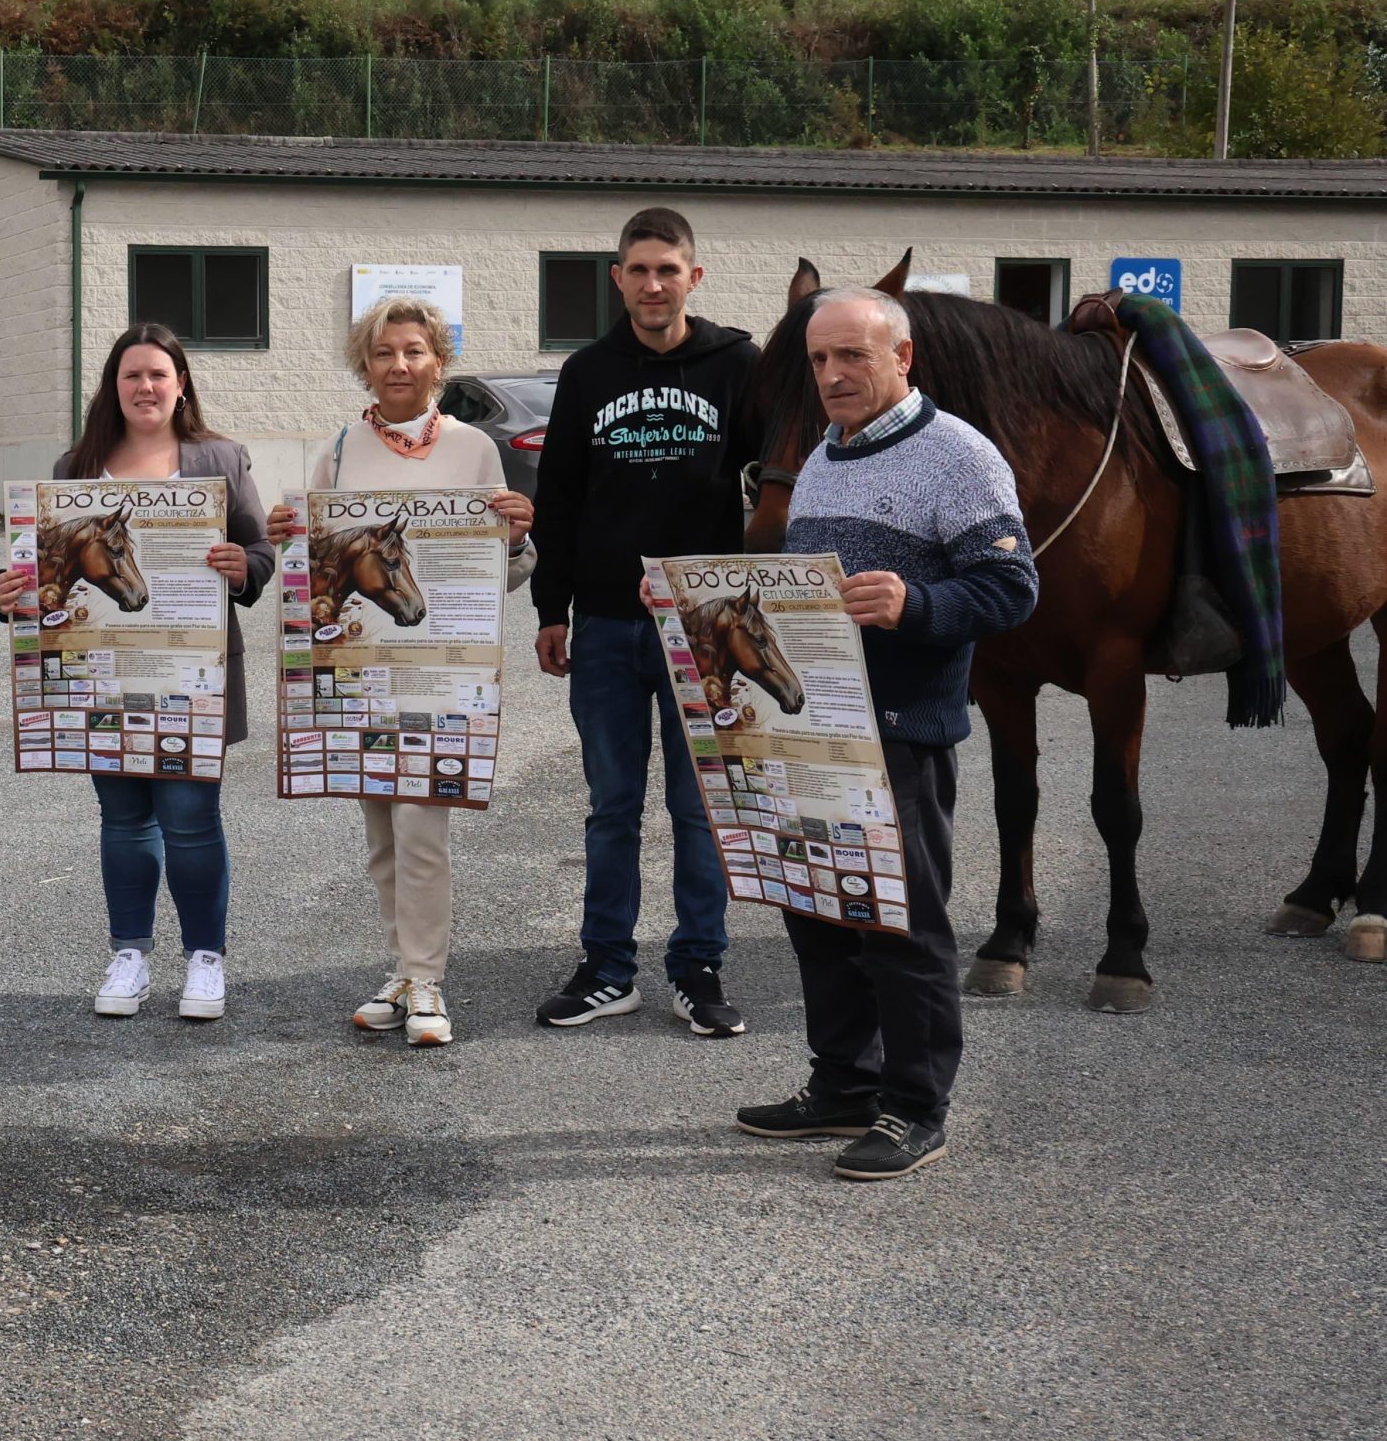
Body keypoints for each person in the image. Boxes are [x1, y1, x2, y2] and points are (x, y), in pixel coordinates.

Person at [734, 287, 1036, 1180]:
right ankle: (843, 1084)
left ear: (903, 359)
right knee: (818, 910)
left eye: (851, 357)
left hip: (900, 730)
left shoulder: (959, 457)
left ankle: (915, 1107)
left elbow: (1013, 591)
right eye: (819, 359)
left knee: (900, 925)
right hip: (813, 727)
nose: (831, 375)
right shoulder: (823, 456)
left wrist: (918, 603)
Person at [265, 297, 534, 1048]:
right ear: (366, 364)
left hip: (439, 675)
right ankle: (402, 968)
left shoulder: (477, 449)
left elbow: (501, 577)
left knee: (422, 826)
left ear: (438, 363)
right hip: (360, 670)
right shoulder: (342, 450)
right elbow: (316, 569)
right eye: (384, 353)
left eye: (413, 351)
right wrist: (289, 537)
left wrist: (513, 540)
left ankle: (427, 979)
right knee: (381, 828)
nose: (399, 366)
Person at [0, 323, 271, 1021]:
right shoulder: (76, 468)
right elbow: (37, 572)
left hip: (191, 672)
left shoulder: (221, 458)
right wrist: (4, 595)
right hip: (97, 672)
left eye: (158, 375)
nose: (146, 387)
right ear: (113, 388)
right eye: (131, 376)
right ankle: (130, 956)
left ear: (180, 385)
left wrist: (244, 569)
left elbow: (260, 550)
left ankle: (205, 960)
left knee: (191, 817)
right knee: (122, 818)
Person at [529, 206, 760, 1038]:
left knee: (701, 805)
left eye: (669, 269)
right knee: (611, 805)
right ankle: (607, 968)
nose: (654, 284)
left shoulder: (738, 364)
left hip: (704, 628)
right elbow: (556, 498)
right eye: (639, 269)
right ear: (617, 279)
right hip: (606, 624)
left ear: (693, 277)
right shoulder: (588, 372)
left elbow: (780, 478)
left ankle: (698, 966)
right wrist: (551, 608)